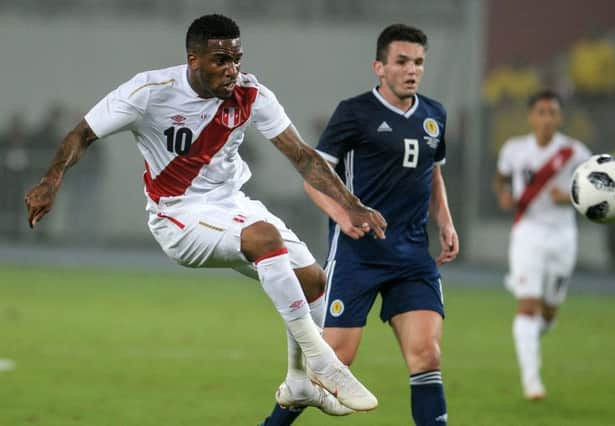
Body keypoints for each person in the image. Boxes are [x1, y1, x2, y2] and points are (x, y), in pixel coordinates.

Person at [24, 13, 388, 414]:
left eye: (237, 59)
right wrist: (50, 181)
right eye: (221, 61)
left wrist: (352, 205)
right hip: (176, 216)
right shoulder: (149, 91)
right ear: (193, 60)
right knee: (264, 237)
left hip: (232, 204)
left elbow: (302, 156)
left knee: (313, 281)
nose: (232, 70)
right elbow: (82, 133)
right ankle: (322, 361)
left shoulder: (251, 94)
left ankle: (299, 381)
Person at [259, 23, 458, 426]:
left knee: (427, 355)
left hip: (412, 257)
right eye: (401, 61)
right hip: (358, 257)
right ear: (379, 67)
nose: (412, 70)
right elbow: (314, 178)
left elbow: (432, 173)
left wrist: (446, 222)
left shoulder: (435, 114)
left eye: (418, 62)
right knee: (333, 365)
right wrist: (342, 215)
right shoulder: (354, 113)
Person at [493, 89, 591, 400]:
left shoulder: (577, 153)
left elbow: (597, 196)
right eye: (541, 112)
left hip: (563, 237)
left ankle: (532, 333)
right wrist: (503, 195)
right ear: (531, 116)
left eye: (553, 113)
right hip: (527, 233)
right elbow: (501, 178)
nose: (547, 119)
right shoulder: (514, 149)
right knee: (527, 306)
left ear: (560, 118)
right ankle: (532, 383)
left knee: (548, 313)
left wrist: (573, 197)